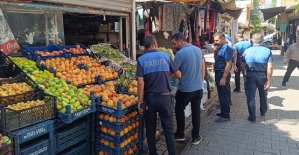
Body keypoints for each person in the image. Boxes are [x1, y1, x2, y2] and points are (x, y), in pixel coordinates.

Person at [137, 36, 181, 155]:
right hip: (165, 98)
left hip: (150, 99)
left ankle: (153, 153)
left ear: (145, 48)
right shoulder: (166, 56)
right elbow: (178, 74)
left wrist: (140, 101)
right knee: (168, 129)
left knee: (150, 130)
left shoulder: (141, 60)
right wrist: (168, 76)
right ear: (155, 44)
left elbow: (140, 82)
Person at [171, 32, 205, 145]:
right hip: (198, 88)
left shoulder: (180, 54)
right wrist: (201, 80)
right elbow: (203, 66)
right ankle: (196, 136)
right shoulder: (198, 50)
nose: (173, 46)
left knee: (179, 109)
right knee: (196, 112)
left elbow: (173, 72)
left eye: (174, 43)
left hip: (185, 89)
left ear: (181, 41)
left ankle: (180, 134)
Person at [241, 33, 273, 122]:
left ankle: (252, 116)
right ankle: (263, 111)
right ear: (262, 41)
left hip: (250, 75)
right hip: (262, 76)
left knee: (250, 96)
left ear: (252, 41)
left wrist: (244, 75)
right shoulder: (267, 51)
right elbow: (270, 67)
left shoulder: (246, 51)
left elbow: (242, 65)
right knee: (263, 95)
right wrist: (269, 80)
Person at [213, 31, 234, 122]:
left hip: (222, 73)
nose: (215, 42)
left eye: (217, 40)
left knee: (224, 95)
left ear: (223, 38)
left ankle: (226, 115)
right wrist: (215, 50)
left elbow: (228, 63)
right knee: (221, 94)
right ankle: (223, 111)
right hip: (219, 72)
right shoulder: (221, 47)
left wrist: (224, 77)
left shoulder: (227, 48)